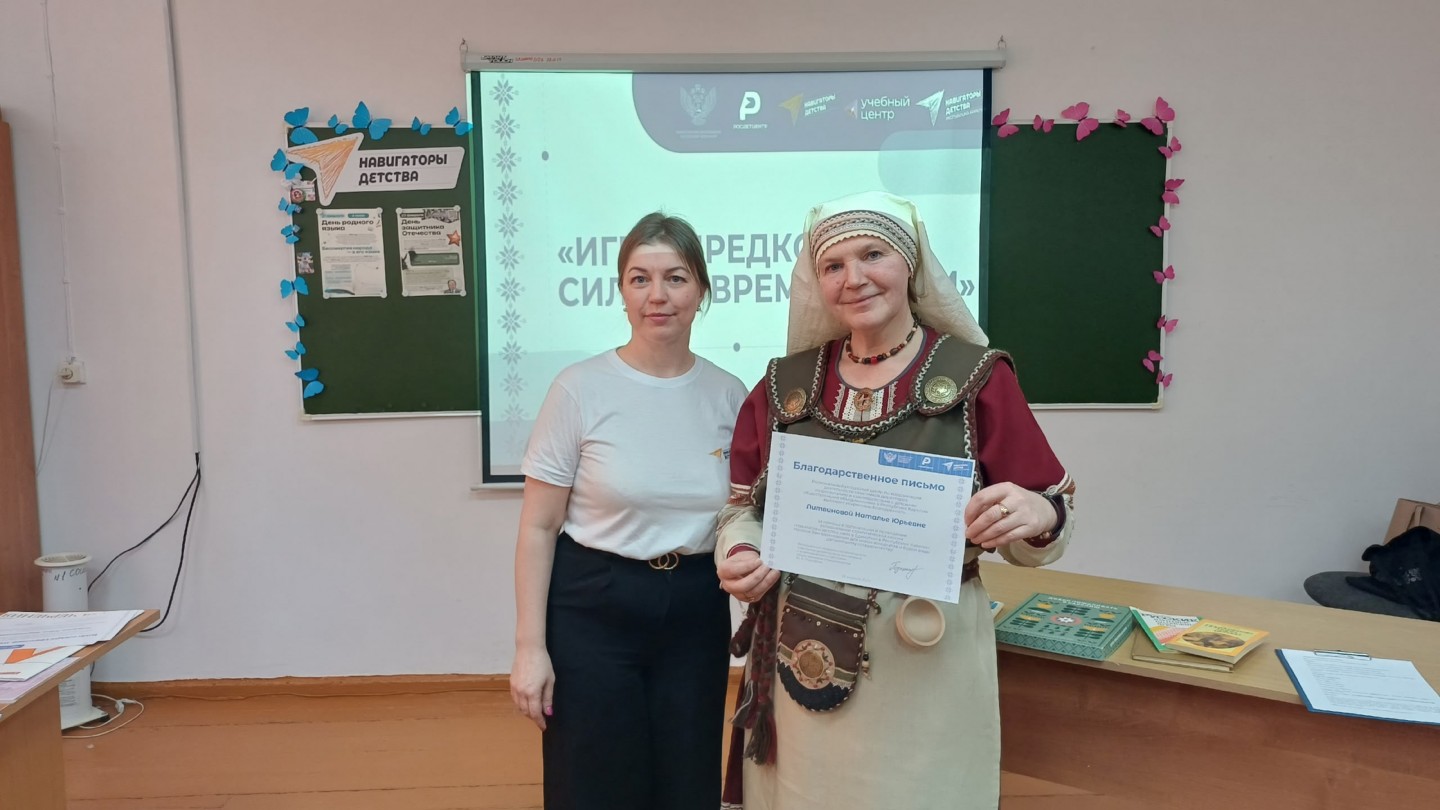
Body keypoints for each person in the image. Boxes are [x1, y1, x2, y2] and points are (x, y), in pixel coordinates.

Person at [715, 192, 1077, 810]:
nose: (854, 278)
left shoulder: (978, 379)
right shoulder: (784, 385)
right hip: (804, 652)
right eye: (833, 266)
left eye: (872, 255)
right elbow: (742, 508)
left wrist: (1038, 513)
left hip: (925, 664)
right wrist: (741, 548)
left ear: (909, 263)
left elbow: (1046, 517)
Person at [510, 212, 748, 810]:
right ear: (621, 291)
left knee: (687, 777)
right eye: (640, 279)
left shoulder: (729, 394)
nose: (657, 295)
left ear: (702, 290)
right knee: (593, 780)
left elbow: (744, 513)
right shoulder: (578, 388)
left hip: (695, 607)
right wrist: (529, 649)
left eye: (676, 278)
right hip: (593, 605)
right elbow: (538, 527)